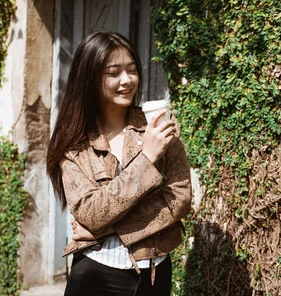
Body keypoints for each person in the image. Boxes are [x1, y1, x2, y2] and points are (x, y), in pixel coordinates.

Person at [46, 32, 192, 296]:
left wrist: (105, 229)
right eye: (114, 73)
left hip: (154, 272)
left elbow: (179, 200)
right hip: (96, 274)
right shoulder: (74, 145)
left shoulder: (159, 128)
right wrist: (146, 158)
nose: (127, 80)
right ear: (89, 79)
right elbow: (90, 213)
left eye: (132, 70)